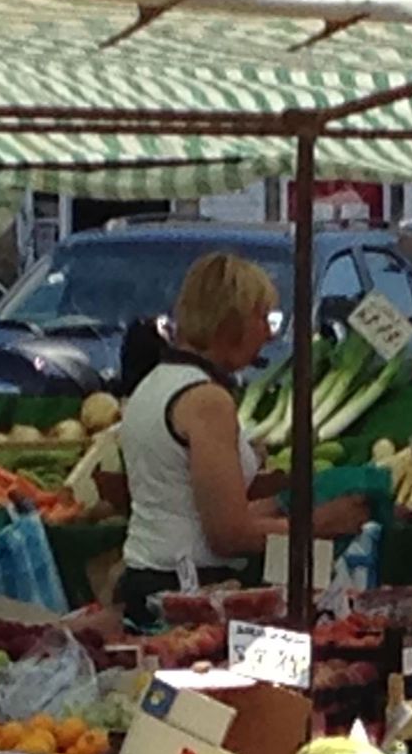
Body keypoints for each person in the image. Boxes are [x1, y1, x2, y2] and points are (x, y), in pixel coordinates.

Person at [116, 252, 369, 629]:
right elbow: (228, 534)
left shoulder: (153, 384)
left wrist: (286, 504)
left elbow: (190, 504)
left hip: (149, 579)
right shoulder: (206, 401)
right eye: (262, 318)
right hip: (188, 597)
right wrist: (318, 525)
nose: (268, 334)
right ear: (231, 321)